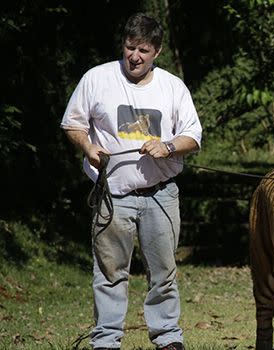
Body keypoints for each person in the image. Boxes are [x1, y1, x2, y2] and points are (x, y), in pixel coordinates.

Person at [60, 13, 202, 350]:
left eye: (143, 50)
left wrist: (168, 146)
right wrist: (88, 146)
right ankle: (106, 340)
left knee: (164, 273)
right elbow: (72, 123)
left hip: (161, 195)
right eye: (129, 47)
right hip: (112, 194)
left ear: (158, 51)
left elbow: (193, 136)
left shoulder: (172, 86)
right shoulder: (97, 79)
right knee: (109, 273)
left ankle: (167, 337)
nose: (134, 56)